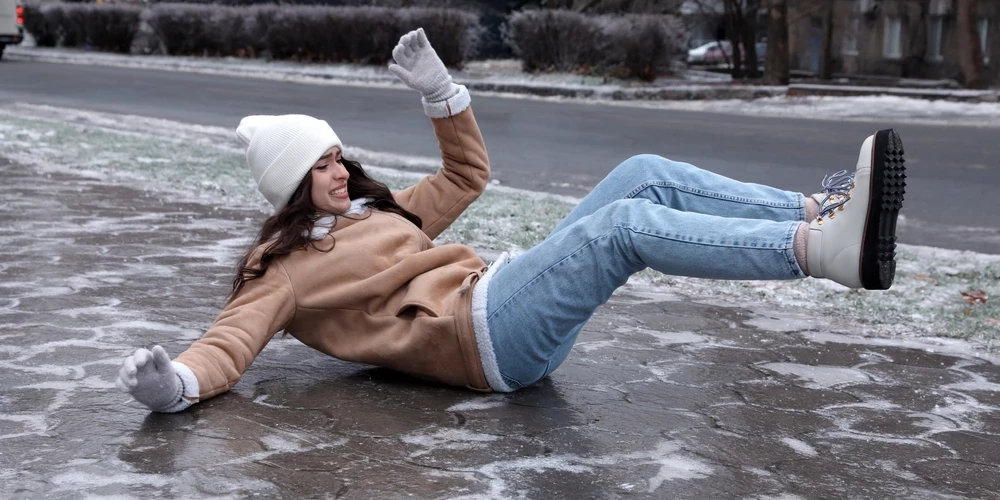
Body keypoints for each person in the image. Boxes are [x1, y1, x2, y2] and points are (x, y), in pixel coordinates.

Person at [115, 29, 906, 412]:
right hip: (482, 335)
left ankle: (824, 210)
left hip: (500, 296)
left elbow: (468, 175)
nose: (338, 170)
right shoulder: (283, 272)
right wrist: (174, 383)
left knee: (642, 174)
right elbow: (230, 343)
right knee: (622, 225)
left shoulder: (375, 212)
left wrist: (441, 95)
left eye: (336, 157)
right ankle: (820, 253)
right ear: (290, 187)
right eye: (320, 165)